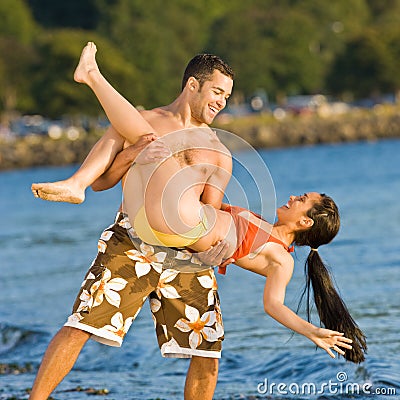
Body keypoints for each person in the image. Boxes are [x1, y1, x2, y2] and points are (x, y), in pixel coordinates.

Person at [29, 43, 234, 400]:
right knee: (81, 324)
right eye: (217, 92)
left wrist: (216, 250)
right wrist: (136, 153)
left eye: (227, 96)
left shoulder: (220, 152)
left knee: (208, 352)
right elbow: (102, 182)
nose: (222, 102)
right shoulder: (143, 122)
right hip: (132, 243)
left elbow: (210, 211)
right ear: (192, 85)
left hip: (185, 255)